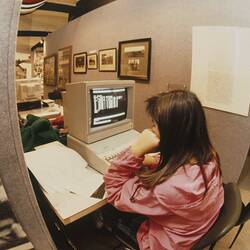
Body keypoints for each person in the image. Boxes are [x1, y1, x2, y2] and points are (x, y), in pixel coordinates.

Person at [103, 90, 224, 250]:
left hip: (162, 243)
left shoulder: (167, 189)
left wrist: (135, 151)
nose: (151, 129)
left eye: (154, 124)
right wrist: (150, 159)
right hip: (191, 229)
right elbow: (178, 159)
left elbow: (114, 192)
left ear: (172, 132)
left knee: (106, 211)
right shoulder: (208, 155)